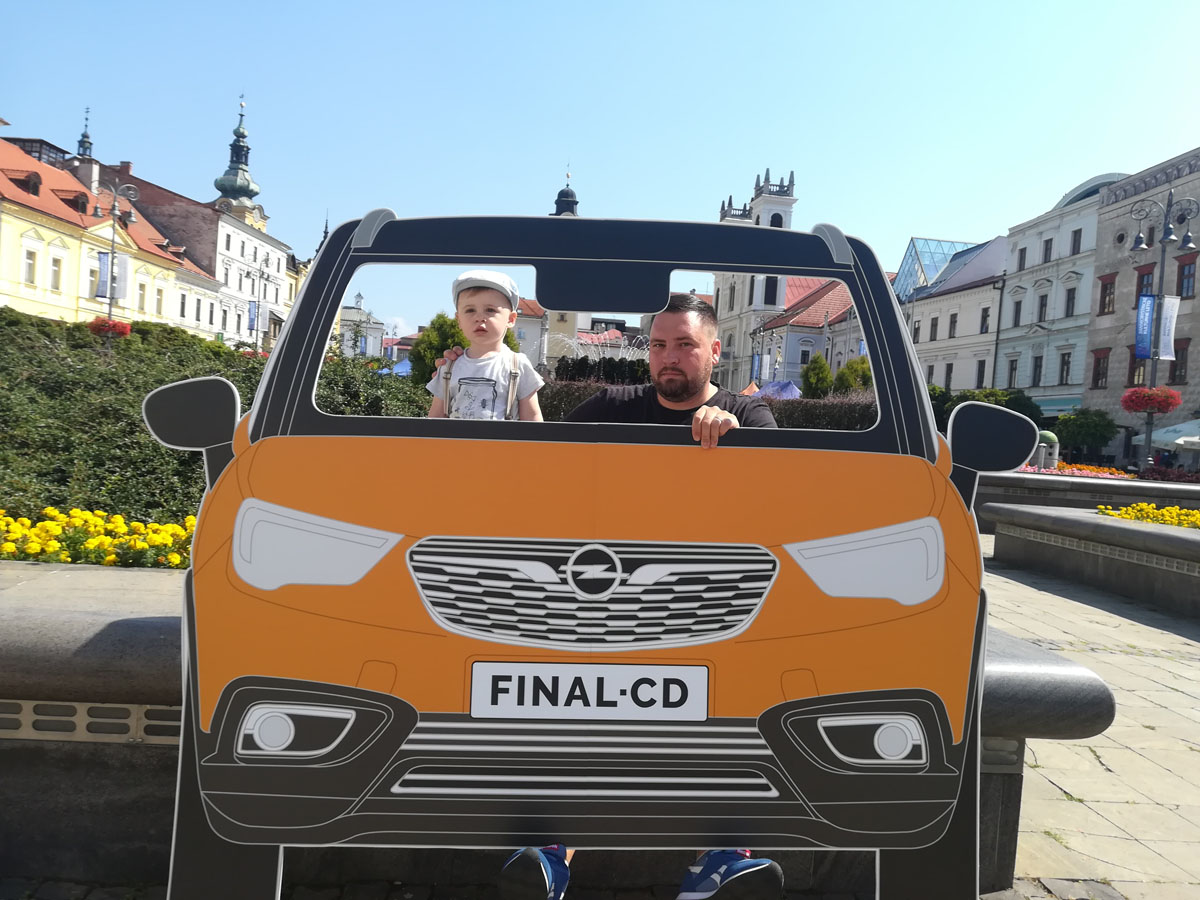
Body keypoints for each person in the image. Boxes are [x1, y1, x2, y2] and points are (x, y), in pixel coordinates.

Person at [438, 292, 783, 899]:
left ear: (715, 350)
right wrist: (461, 379)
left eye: (684, 345)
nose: (668, 357)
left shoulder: (746, 416)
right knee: (574, 705)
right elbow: (542, 464)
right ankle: (550, 858)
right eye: (659, 345)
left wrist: (737, 438)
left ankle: (723, 859)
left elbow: (775, 500)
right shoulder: (613, 405)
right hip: (598, 600)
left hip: (705, 607)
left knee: (731, 699)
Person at [427, 270, 544, 421]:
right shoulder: (449, 366)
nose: (479, 317)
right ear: (459, 320)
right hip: (456, 437)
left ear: (511, 319)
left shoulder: (518, 365)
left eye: (490, 310)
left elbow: (532, 419)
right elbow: (435, 418)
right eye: (470, 310)